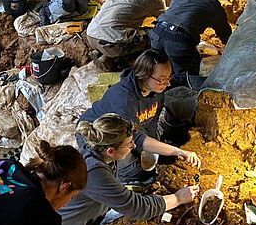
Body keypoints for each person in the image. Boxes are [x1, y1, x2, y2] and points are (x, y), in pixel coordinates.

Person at [60, 114, 199, 225]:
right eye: (129, 144)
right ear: (111, 151)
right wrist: (178, 198)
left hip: (88, 220)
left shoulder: (96, 145)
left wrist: (177, 151)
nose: (133, 146)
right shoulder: (94, 172)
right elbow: (138, 208)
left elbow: (140, 140)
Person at [79, 49, 201, 185]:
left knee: (151, 161)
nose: (168, 84)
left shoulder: (156, 90)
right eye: (161, 80)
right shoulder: (124, 99)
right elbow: (137, 138)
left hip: (129, 131)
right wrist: (176, 151)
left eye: (169, 78)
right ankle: (125, 181)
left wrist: (157, 150)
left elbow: (151, 122)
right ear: (144, 75)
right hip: (98, 132)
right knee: (132, 170)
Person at [86, 0, 166, 71]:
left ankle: (103, 55)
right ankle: (119, 61)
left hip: (91, 33)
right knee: (152, 36)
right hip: (112, 43)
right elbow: (165, 20)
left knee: (126, 31)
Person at [150, 0, 232, 76]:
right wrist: (231, 47)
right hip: (178, 41)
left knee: (159, 71)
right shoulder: (213, 6)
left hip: (157, 32)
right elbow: (225, 33)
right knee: (187, 76)